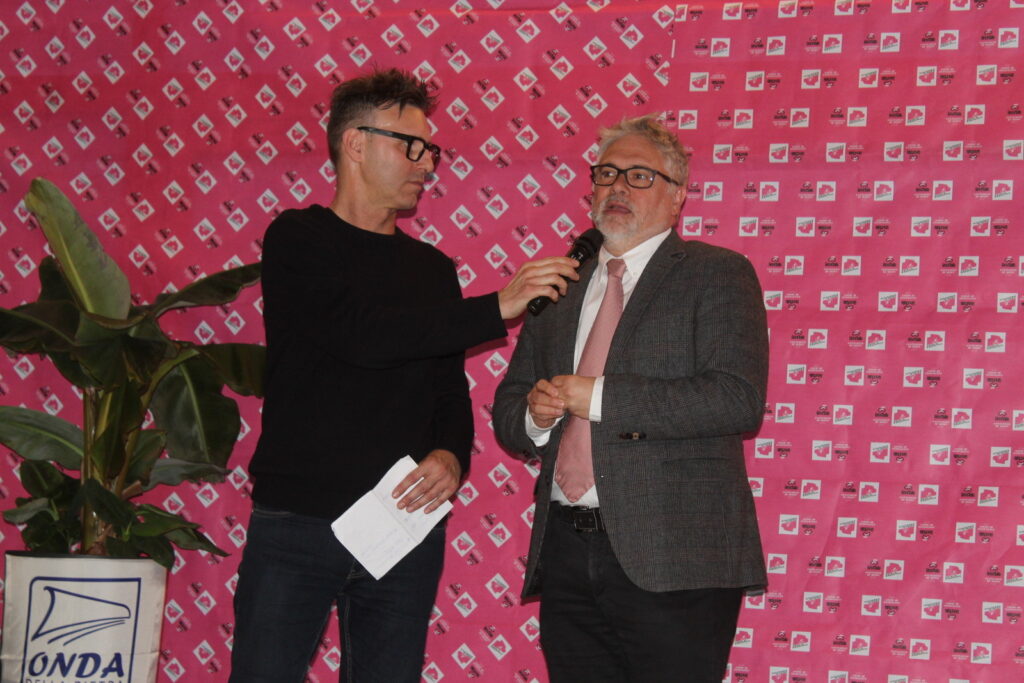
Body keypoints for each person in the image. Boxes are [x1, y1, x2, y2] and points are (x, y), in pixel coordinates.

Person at [229, 68, 579, 683]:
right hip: (298, 521)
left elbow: (448, 389)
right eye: (410, 146)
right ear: (354, 143)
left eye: (430, 150)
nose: (426, 164)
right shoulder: (297, 238)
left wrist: (450, 457)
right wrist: (496, 305)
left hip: (402, 525)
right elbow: (362, 337)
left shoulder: (431, 268)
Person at [493, 115, 769, 682]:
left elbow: (735, 397)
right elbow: (510, 411)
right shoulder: (559, 286)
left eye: (640, 176)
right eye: (607, 173)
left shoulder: (717, 273)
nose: (618, 187)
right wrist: (536, 416)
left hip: (678, 556)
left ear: (678, 195)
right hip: (566, 550)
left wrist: (597, 397)